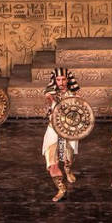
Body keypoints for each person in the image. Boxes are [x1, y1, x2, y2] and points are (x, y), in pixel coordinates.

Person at [43, 68, 81, 202]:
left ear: (68, 79)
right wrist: (50, 100)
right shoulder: (50, 93)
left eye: (63, 79)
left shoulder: (74, 94)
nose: (61, 82)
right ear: (55, 80)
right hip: (53, 131)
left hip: (68, 131)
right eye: (58, 79)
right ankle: (61, 188)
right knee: (52, 164)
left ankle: (68, 170)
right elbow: (48, 100)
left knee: (67, 159)